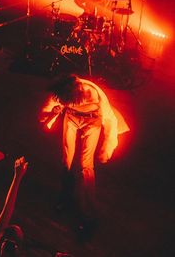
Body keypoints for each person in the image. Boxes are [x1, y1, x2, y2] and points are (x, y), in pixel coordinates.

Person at [39, 74, 129, 232]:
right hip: (72, 118)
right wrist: (53, 113)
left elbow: (110, 121)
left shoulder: (94, 94)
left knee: (85, 166)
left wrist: (106, 148)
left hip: (92, 120)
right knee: (66, 159)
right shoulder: (59, 94)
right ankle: (66, 196)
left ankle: (88, 214)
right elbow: (44, 114)